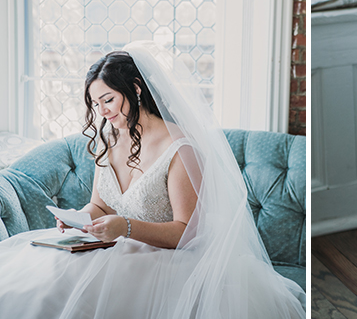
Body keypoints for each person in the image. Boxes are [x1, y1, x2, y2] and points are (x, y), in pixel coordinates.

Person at [0, 43, 305, 318]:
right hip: (117, 249)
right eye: (95, 104)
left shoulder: (180, 148)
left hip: (171, 261)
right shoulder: (108, 137)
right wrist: (80, 219)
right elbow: (100, 204)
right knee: (39, 277)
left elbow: (188, 232)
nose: (102, 112)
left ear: (134, 89)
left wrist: (126, 227)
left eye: (108, 99)